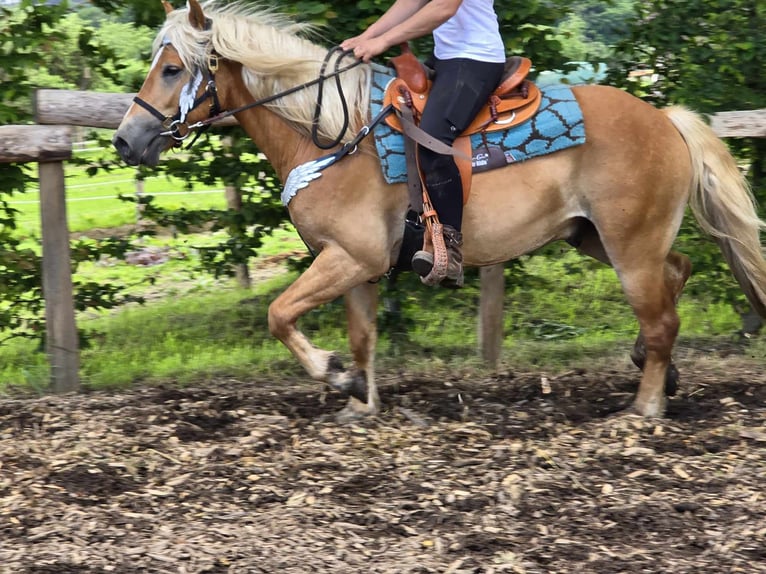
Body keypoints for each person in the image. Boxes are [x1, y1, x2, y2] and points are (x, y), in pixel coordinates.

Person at [341, 0, 506, 287]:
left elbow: (443, 7)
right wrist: (367, 37)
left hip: (475, 58)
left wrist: (382, 42)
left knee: (432, 142)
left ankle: (451, 251)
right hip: (445, 58)